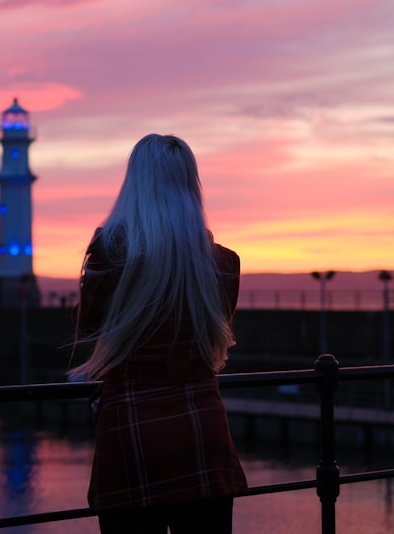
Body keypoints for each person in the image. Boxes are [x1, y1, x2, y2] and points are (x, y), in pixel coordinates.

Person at [70, 134, 247, 534]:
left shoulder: (108, 256)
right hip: (202, 433)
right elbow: (210, 336)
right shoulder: (223, 265)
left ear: (134, 185)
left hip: (131, 433)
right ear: (191, 185)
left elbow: (88, 329)